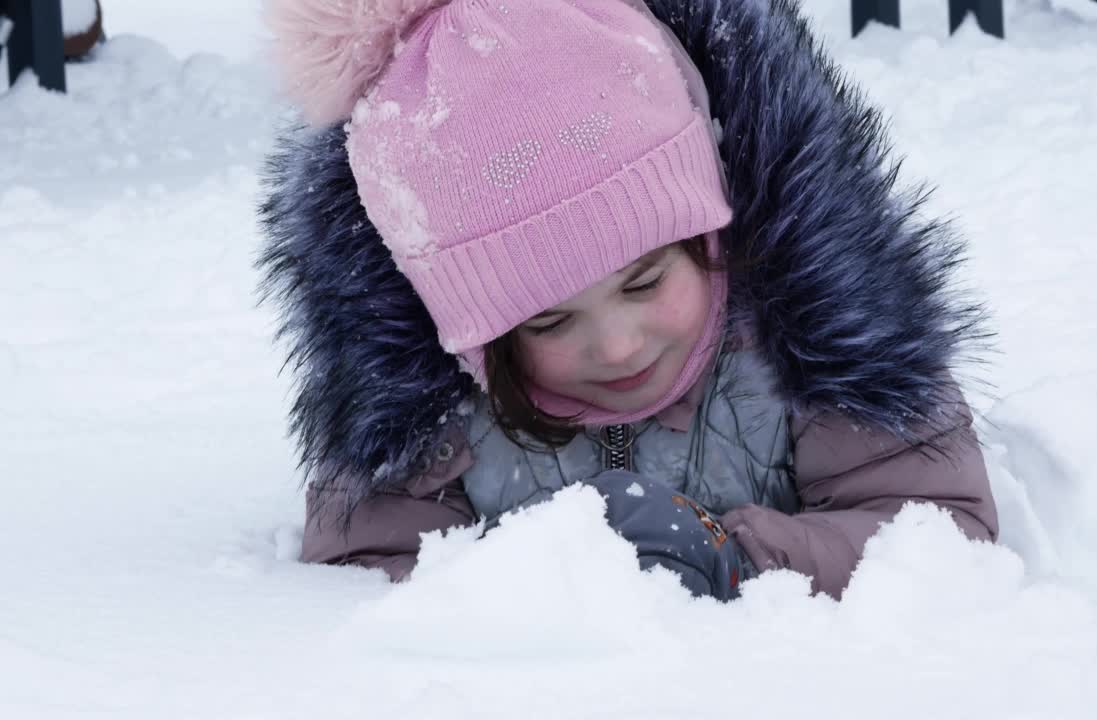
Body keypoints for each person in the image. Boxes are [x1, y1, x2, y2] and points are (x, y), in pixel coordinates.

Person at [258, 0, 998, 601]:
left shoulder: (808, 348)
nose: (616, 345)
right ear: (473, 334)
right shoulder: (437, 417)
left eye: (644, 281)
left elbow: (940, 532)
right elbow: (363, 573)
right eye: (548, 318)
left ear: (708, 232)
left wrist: (738, 561)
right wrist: (534, 582)